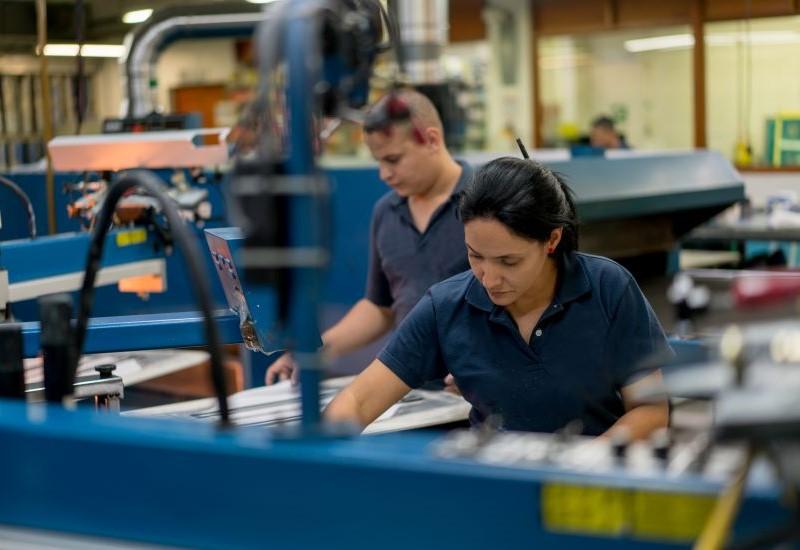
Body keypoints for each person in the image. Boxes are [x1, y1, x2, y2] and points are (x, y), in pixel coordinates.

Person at [325, 156, 671, 438]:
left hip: (588, 494)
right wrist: (319, 455)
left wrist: (582, 464)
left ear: (551, 241)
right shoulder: (446, 306)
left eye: (509, 261)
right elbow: (357, 400)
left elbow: (651, 410)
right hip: (496, 489)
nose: (489, 278)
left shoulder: (608, 288)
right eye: (475, 255)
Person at [266, 89, 473, 384]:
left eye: (393, 159)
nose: (384, 174)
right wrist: (314, 351)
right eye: (378, 161)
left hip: (476, 395)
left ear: (431, 140)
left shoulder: (484, 204)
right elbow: (380, 306)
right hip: (410, 389)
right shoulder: (386, 212)